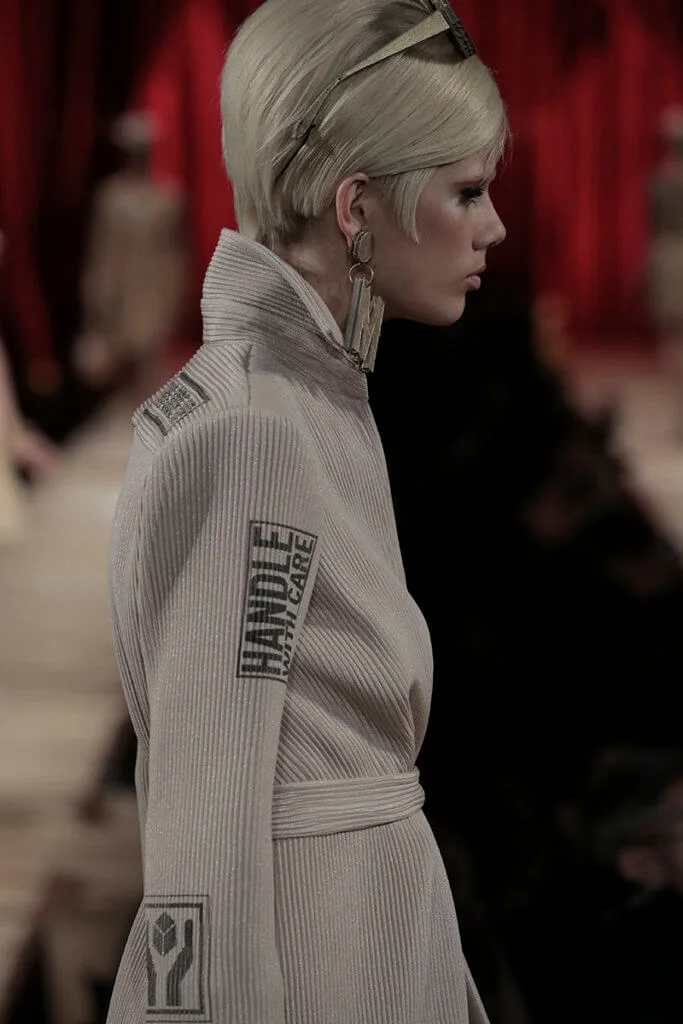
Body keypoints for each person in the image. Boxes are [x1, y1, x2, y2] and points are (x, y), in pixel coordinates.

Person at [105, 1, 507, 1021]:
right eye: (466, 190)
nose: (493, 226)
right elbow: (201, 806)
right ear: (356, 205)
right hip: (321, 952)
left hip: (357, 923)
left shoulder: (302, 397)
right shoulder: (254, 431)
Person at [74, 111, 188, 395]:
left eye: (142, 149)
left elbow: (176, 253)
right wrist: (95, 291)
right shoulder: (110, 196)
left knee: (150, 362)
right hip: (118, 287)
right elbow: (100, 247)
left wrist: (176, 292)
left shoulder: (167, 197)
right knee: (120, 367)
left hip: (153, 288)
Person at [646, 105, 683, 435]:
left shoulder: (659, 180)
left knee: (672, 340)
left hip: (667, 257)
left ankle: (678, 410)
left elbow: (654, 224)